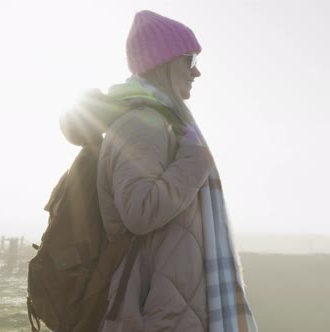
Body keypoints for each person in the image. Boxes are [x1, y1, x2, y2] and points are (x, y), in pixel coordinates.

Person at [92, 10, 257, 332]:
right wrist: (196, 159)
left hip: (170, 308)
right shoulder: (143, 124)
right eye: (190, 60)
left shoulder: (167, 125)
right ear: (164, 62)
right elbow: (140, 211)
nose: (197, 73)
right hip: (157, 312)